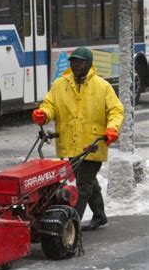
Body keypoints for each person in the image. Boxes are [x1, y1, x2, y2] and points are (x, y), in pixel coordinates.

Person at [32, 47, 124, 231]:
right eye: (73, 61)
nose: (76, 65)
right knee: (88, 181)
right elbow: (50, 105)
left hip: (94, 144)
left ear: (88, 63)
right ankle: (100, 215)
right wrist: (44, 114)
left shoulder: (102, 86)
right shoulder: (60, 84)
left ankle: (70, 225)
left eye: (80, 62)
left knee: (83, 185)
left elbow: (116, 110)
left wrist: (112, 129)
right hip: (69, 144)